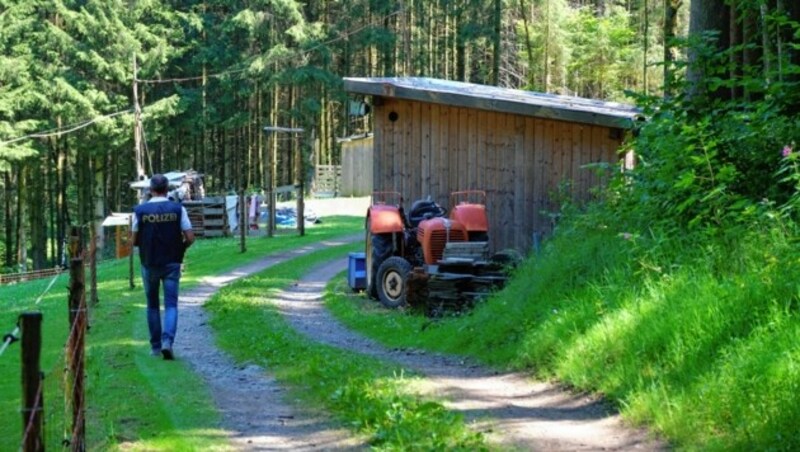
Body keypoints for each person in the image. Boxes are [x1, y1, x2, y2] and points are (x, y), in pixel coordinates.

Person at [131, 174, 195, 360]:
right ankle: (168, 342)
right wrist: (180, 248)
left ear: (150, 190)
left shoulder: (140, 211)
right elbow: (190, 237)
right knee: (171, 305)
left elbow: (134, 240)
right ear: (167, 189)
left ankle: (155, 347)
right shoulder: (178, 209)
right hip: (172, 263)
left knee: (152, 306)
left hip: (149, 262)